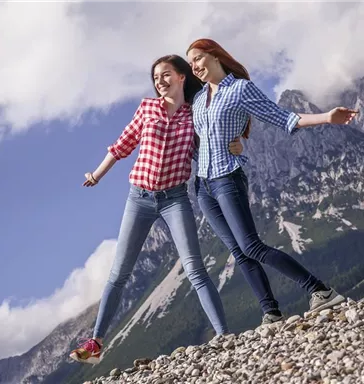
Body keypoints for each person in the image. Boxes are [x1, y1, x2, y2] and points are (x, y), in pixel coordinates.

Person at [69, 54, 244, 365]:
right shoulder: (147, 108)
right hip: (139, 198)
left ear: (181, 76)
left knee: (195, 269)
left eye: (165, 75)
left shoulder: (195, 114)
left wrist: (237, 145)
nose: (159, 82)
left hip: (175, 199)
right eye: (155, 78)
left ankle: (224, 335)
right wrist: (96, 175)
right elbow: (121, 146)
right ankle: (96, 343)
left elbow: (210, 147)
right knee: (119, 273)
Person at [186, 38, 358, 322]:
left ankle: (320, 290)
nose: (194, 66)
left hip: (227, 178)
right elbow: (199, 138)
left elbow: (283, 117)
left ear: (215, 56)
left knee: (251, 245)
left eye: (198, 58)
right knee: (238, 252)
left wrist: (327, 116)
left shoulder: (241, 89)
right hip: (203, 187)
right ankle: (271, 312)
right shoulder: (199, 99)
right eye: (190, 63)